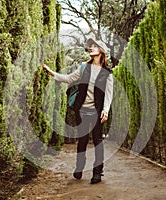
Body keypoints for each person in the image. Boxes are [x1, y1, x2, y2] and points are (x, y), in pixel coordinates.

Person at [42, 38, 113, 184]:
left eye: (94, 46)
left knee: (98, 142)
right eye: (90, 47)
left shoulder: (107, 73)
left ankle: (97, 172)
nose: (91, 48)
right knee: (82, 140)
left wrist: (105, 110)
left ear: (101, 51)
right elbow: (69, 78)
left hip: (97, 112)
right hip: (82, 110)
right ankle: (79, 167)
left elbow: (109, 93)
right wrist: (52, 73)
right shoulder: (83, 67)